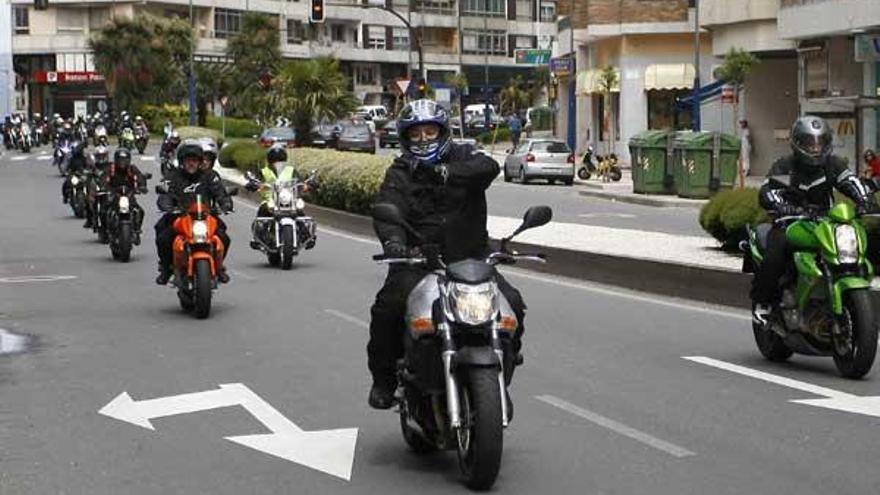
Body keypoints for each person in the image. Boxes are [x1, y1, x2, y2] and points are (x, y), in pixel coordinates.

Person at [366, 99, 527, 409]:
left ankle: (501, 372)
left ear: (443, 132)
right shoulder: (400, 172)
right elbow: (389, 208)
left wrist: (446, 172)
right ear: (405, 137)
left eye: (430, 131)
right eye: (416, 133)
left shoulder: (465, 156)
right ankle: (383, 380)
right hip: (420, 260)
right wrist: (394, 244)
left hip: (472, 259)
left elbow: (489, 168)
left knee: (513, 304)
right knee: (387, 309)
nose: (424, 138)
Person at [752, 116, 874, 323]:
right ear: (798, 143)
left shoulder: (833, 165)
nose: (816, 148)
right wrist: (781, 205)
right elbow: (769, 191)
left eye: (820, 142)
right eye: (810, 143)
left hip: (825, 222)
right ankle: (763, 302)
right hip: (790, 221)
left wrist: (865, 199)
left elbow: (851, 181)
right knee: (775, 254)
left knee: (856, 244)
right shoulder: (785, 166)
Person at [154, 140, 233, 285]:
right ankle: (166, 268)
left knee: (224, 237)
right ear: (182, 161)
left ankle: (219, 266)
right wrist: (167, 205)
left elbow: (220, 192)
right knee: (163, 236)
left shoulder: (210, 176)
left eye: (195, 160)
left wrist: (225, 203)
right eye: (188, 160)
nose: (191, 163)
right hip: (180, 217)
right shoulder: (173, 176)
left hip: (206, 217)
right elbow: (165, 193)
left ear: (200, 162)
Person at [104, 148, 148, 241]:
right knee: (105, 210)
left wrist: (142, 186)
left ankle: (137, 230)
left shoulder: (132, 169)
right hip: (114, 194)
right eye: (120, 160)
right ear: (116, 160)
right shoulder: (111, 169)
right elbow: (104, 179)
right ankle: (106, 230)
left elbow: (139, 177)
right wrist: (105, 188)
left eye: (124, 160)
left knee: (140, 211)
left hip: (129, 194)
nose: (122, 162)